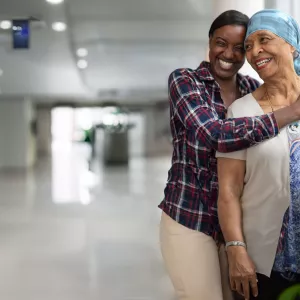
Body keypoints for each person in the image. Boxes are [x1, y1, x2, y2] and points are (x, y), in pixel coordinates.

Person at [158, 9, 300, 300]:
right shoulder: (185, 81)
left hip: (239, 223)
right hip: (193, 216)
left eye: (240, 47)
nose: (231, 54)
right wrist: (288, 114)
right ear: (210, 42)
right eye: (222, 43)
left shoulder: (251, 87)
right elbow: (214, 135)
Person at [217, 9, 300, 300]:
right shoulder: (241, 111)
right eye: (249, 46)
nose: (255, 52)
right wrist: (236, 248)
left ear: (292, 44)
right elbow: (228, 190)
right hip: (265, 262)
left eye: (264, 39)